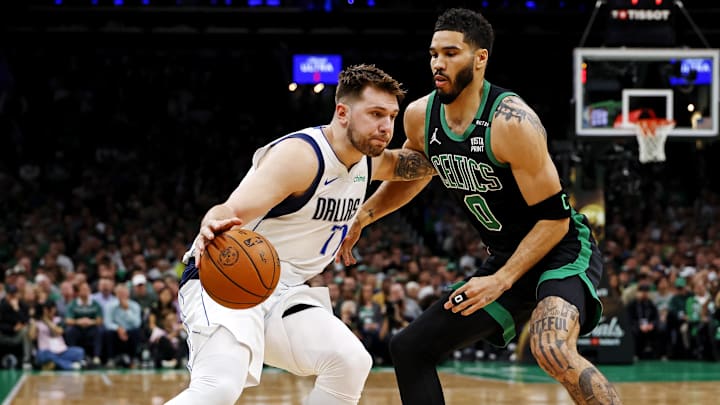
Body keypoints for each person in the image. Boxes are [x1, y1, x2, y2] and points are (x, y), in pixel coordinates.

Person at [335, 8, 622, 405]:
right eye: (434, 53)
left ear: (480, 58)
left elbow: (554, 220)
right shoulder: (420, 116)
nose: (438, 63)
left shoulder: (513, 122)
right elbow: (418, 172)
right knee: (410, 348)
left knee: (550, 347)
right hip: (506, 258)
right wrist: (364, 215)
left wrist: (500, 281)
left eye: (451, 53)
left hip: (561, 252)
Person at [165, 64, 435, 405]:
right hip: (225, 278)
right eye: (376, 114)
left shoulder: (369, 160)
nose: (386, 127)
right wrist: (210, 223)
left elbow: (420, 164)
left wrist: (451, 141)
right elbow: (228, 210)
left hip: (282, 288)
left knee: (349, 362)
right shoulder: (302, 157)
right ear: (342, 112)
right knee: (219, 385)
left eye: (392, 116)